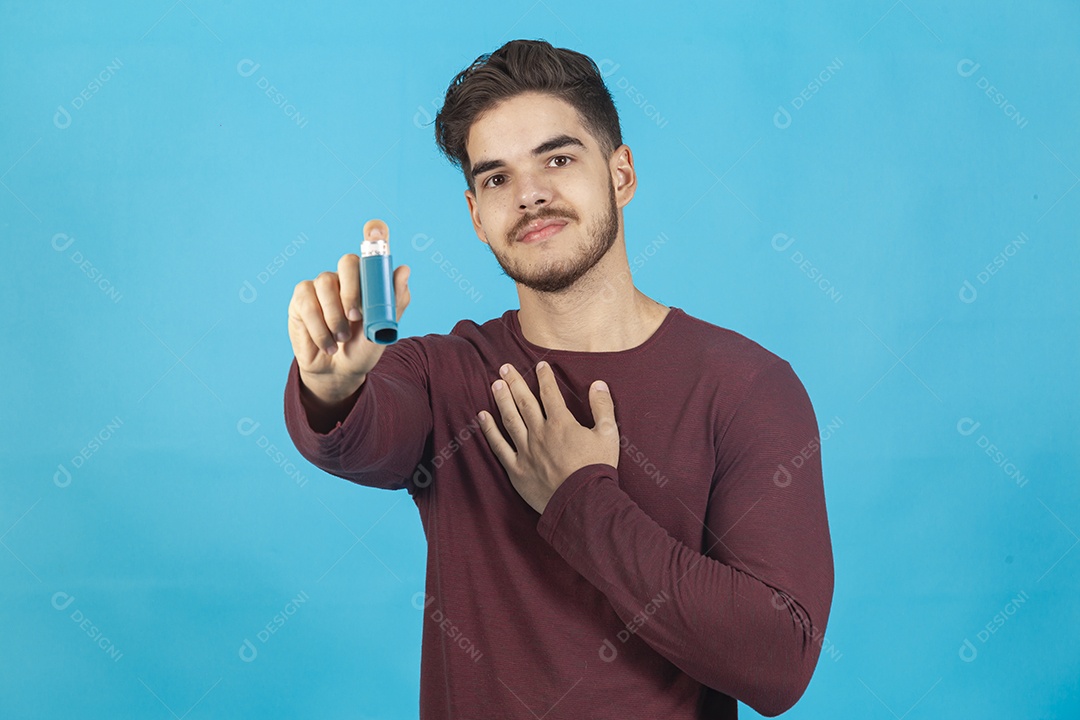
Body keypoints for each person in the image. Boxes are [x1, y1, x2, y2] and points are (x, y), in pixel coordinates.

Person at [283, 38, 834, 719]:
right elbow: (359, 434)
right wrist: (331, 387)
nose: (531, 194)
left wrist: (579, 500)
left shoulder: (747, 386)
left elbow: (777, 663)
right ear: (476, 218)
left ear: (622, 174)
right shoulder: (441, 375)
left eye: (558, 158)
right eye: (496, 179)